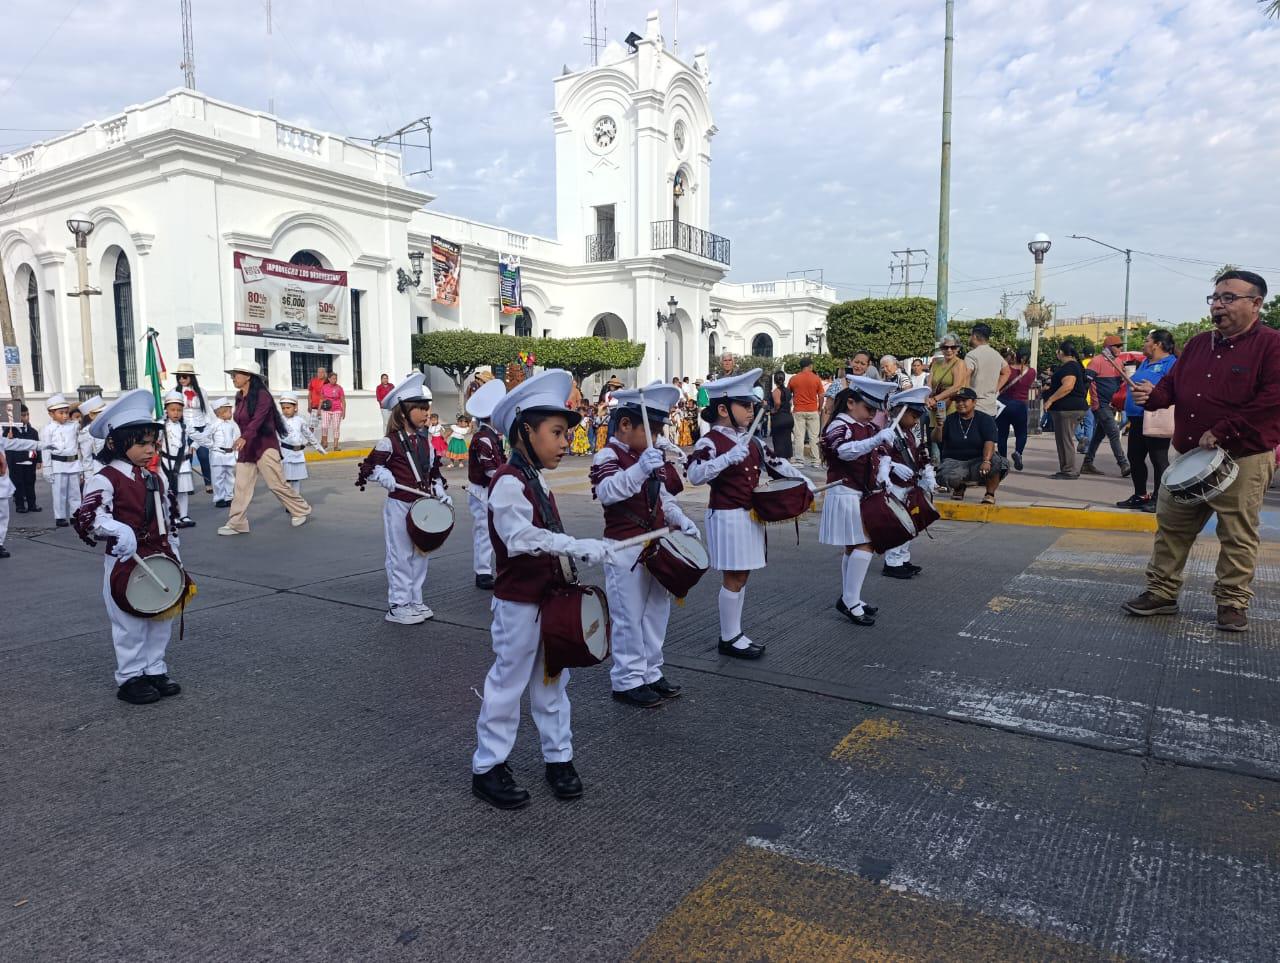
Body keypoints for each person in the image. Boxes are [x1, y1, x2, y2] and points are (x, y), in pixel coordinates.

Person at [471, 369, 612, 810]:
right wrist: (572, 544)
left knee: (553, 684)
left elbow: (545, 533)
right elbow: (518, 537)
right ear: (525, 432)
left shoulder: (534, 477)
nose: (565, 442)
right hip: (518, 606)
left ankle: (558, 758)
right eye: (556, 432)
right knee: (507, 685)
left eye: (566, 433)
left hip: (547, 600)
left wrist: (575, 554)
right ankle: (488, 767)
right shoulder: (508, 481)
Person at [1123, 271, 1280, 633]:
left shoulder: (1272, 345)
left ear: (1256, 304)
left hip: (1243, 457)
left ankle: (1232, 602)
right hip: (1189, 455)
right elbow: (1172, 387)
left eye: (1229, 298)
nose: (1218, 305)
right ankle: (1161, 592)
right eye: (1215, 298)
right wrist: (1153, 397)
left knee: (1237, 535)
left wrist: (1223, 430)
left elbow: (1272, 401)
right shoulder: (1196, 344)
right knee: (1171, 528)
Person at [72, 389, 191, 704]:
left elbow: (167, 518)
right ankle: (130, 677)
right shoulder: (105, 478)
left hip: (159, 557)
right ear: (116, 443)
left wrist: (174, 550)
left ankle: (155, 668)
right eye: (141, 444)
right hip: (126, 561)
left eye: (152, 443)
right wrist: (117, 529)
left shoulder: (154, 477)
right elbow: (90, 517)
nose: (149, 449)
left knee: (160, 617)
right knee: (130, 623)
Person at [687, 368, 813, 659]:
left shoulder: (752, 439)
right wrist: (727, 458)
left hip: (749, 515)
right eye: (744, 405)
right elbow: (694, 474)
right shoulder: (710, 441)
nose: (751, 410)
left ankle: (734, 633)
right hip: (727, 515)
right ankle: (729, 637)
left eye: (751, 404)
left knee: (742, 575)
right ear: (723, 409)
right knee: (734, 576)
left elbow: (777, 464)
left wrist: (803, 480)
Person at [589, 382, 699, 707]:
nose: (658, 436)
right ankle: (627, 679)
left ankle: (650, 671)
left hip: (656, 546)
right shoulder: (608, 455)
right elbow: (608, 492)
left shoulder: (646, 456)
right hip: (625, 547)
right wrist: (639, 469)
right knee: (628, 615)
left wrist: (679, 518)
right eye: (651, 429)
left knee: (656, 612)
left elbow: (663, 497)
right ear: (625, 424)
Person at [356, 372, 451, 625]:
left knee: (421, 554)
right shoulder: (388, 443)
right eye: (420, 408)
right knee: (400, 556)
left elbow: (433, 473)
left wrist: (440, 491)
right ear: (403, 412)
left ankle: (415, 599)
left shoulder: (426, 442)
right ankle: (398, 604)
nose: (426, 413)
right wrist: (382, 474)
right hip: (399, 504)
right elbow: (368, 469)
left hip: (422, 505)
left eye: (427, 408)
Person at [819, 375, 898, 622]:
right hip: (845, 491)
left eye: (875, 409)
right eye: (868, 408)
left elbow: (882, 452)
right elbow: (842, 451)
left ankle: (850, 597)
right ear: (851, 403)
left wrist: (884, 470)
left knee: (854, 546)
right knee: (866, 544)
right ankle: (850, 601)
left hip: (861, 493)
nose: (872, 414)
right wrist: (874, 441)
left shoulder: (868, 426)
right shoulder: (839, 425)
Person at [218, 361, 311, 535]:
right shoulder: (239, 396)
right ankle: (237, 523)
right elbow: (241, 421)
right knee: (241, 487)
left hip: (265, 446)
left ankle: (300, 510)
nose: (233, 378)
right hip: (247, 447)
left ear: (248, 376)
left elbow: (257, 420)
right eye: (232, 375)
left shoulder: (263, 396)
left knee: (276, 484)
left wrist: (244, 437)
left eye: (236, 374)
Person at [1116, 329, 1177, 513]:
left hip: (1155, 418)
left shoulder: (1171, 363)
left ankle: (1160, 498)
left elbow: (1173, 389)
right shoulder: (1145, 362)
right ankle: (1140, 495)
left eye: (1146, 340)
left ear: (1157, 344)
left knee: (1158, 459)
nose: (1144, 344)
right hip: (1136, 418)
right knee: (1135, 457)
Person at [881, 386, 936, 579]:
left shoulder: (909, 433)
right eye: (913, 416)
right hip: (895, 486)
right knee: (898, 525)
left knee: (909, 523)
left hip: (910, 486)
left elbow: (920, 455)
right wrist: (893, 466)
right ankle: (892, 562)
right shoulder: (889, 433)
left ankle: (903, 558)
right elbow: (879, 457)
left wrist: (928, 473)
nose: (915, 421)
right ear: (900, 412)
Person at [464, 379, 508, 590]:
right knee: (484, 531)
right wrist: (509, 476)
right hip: (482, 490)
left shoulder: (490, 436)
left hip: (490, 489)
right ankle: (482, 572)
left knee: (495, 531)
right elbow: (489, 469)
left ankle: (494, 569)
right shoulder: (484, 438)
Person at [934, 387, 1009, 504]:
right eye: (957, 401)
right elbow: (936, 439)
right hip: (954, 461)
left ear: (974, 402)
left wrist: (986, 461)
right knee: (945, 475)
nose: (960, 404)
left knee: (997, 462)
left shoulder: (985, 419)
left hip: (978, 461)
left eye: (964, 400)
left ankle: (989, 494)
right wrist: (939, 426)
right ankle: (959, 487)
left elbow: (989, 441)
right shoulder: (949, 419)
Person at [1079, 335, 1133, 478]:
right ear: (1108, 347)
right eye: (1117, 346)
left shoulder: (1119, 362)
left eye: (1121, 346)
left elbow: (1121, 385)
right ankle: (1123, 464)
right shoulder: (1096, 362)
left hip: (1112, 405)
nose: (1120, 348)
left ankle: (1087, 462)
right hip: (1100, 405)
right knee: (1114, 432)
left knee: (1099, 435)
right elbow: (1086, 384)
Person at [1042, 341, 1090, 478]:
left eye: (1058, 351)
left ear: (1062, 352)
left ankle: (1069, 470)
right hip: (1069, 408)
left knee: (1065, 440)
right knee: (1063, 439)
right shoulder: (1074, 366)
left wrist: (1051, 399)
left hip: (1068, 409)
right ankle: (1066, 469)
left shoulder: (1070, 366)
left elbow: (1068, 385)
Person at [41, 394, 81, 527]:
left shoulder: (73, 426)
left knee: (75, 492)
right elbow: (46, 450)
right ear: (51, 414)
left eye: (66, 412)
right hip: (58, 464)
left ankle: (75, 514)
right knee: (59, 492)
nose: (64, 416)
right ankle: (60, 516)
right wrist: (47, 468)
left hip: (73, 463)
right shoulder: (48, 429)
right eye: (61, 413)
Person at [158, 391, 198, 528]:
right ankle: (172, 516)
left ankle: (184, 515)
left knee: (183, 491)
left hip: (183, 463)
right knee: (170, 490)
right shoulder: (161, 425)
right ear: (166, 410)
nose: (176, 413)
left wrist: (194, 445)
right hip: (166, 463)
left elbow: (198, 437)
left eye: (179, 410)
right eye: (172, 410)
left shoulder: (186, 425)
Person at [174, 362, 213, 494]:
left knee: (203, 456)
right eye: (179, 376)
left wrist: (208, 427)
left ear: (191, 377)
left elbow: (206, 411)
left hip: (200, 427)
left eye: (184, 376)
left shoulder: (201, 392)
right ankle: (188, 485)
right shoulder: (175, 392)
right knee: (187, 458)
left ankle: (208, 482)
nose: (181, 379)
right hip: (184, 428)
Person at [996, 349, 1036, 471]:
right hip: (1020, 406)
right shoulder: (1031, 372)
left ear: (1015, 356)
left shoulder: (1006, 369)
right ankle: (1018, 452)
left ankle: (1003, 461)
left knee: (1002, 434)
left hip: (1003, 405)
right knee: (1021, 432)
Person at [278, 391, 324, 495]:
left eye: (288, 408)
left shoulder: (300, 420)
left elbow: (309, 435)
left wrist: (318, 447)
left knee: (296, 480)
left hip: (298, 455)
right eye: (283, 408)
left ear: (295, 407)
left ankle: (296, 500)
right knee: (286, 480)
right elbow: (274, 436)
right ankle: (289, 501)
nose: (285, 410)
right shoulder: (279, 420)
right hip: (285, 454)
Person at [964, 323, 1010, 417]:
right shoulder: (996, 355)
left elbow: (965, 377)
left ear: (974, 336)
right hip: (991, 408)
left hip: (975, 408)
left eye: (970, 335)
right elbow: (1007, 372)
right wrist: (995, 388)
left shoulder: (971, 355)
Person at [4, 405, 41, 514]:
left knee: (30, 482)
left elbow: (37, 446)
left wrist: (39, 460)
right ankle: (20, 505)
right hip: (15, 462)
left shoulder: (33, 431)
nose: (26, 417)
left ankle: (32, 504)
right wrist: (8, 439)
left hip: (30, 461)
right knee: (18, 483)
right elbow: (5, 446)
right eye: (23, 415)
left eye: (27, 414)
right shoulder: (9, 431)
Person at [786, 357, 823, 465]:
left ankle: (799, 459)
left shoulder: (794, 378)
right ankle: (815, 460)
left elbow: (788, 395)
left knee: (799, 436)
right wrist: (819, 408)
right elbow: (821, 395)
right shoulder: (816, 378)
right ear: (810, 366)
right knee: (814, 437)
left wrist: (790, 406)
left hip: (798, 410)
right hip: (813, 410)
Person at [206, 398, 240, 508]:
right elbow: (205, 436)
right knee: (218, 477)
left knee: (230, 477)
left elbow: (235, 439)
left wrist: (236, 453)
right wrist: (212, 446)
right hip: (218, 454)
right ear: (221, 413)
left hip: (229, 454)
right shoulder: (214, 425)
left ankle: (229, 497)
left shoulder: (231, 425)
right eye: (229, 411)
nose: (231, 413)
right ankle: (219, 498)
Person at [928, 335, 970, 417]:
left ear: (957, 348)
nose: (949, 350)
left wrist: (936, 398)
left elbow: (957, 386)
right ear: (941, 348)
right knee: (936, 423)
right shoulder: (936, 363)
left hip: (950, 404)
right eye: (945, 347)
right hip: (934, 404)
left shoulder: (959, 363)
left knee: (946, 423)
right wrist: (927, 398)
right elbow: (929, 384)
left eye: (953, 347)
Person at [77, 395, 106, 489]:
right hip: (97, 468)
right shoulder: (87, 432)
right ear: (91, 415)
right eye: (100, 413)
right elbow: (86, 457)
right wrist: (89, 478)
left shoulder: (106, 427)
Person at [769, 369, 794, 459]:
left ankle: (780, 460)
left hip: (779, 418)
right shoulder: (788, 391)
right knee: (787, 441)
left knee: (778, 441)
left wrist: (774, 410)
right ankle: (787, 459)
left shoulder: (776, 391)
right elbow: (790, 402)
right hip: (788, 417)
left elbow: (777, 403)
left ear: (774, 380)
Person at [318, 372, 345, 451]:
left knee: (336, 427)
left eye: (336, 379)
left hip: (337, 410)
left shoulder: (339, 388)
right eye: (333, 378)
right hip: (326, 409)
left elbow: (343, 400)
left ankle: (335, 446)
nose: (335, 380)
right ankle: (325, 442)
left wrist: (344, 411)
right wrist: (319, 409)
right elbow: (321, 399)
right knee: (324, 426)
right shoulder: (324, 387)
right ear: (329, 379)